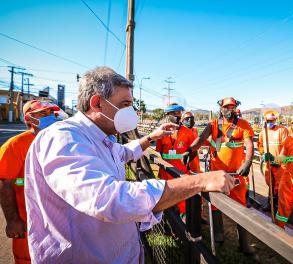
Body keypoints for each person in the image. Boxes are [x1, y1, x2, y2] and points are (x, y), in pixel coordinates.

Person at [24, 67, 235, 263]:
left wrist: (151, 138)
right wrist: (200, 181)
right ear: (97, 103)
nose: (131, 112)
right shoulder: (63, 138)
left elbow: (123, 153)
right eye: (125, 105)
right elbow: (109, 199)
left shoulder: (98, 138)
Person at [183, 97, 258, 258]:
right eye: (226, 107)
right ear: (221, 108)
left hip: (236, 174)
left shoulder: (243, 125)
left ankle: (245, 245)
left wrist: (248, 162)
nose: (229, 109)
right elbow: (201, 139)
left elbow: (249, 144)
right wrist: (190, 150)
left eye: (232, 107)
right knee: (216, 206)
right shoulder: (214, 125)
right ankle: (218, 236)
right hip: (217, 174)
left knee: (241, 208)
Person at [0, 100, 60, 264]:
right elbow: (5, 183)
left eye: (50, 113)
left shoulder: (59, 141)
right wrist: (13, 221)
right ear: (29, 119)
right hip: (28, 225)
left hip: (58, 224)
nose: (50, 116)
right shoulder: (15, 145)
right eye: (43, 113)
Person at [156, 104, 200, 220]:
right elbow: (159, 152)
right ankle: (168, 221)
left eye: (179, 113)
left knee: (183, 200)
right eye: (174, 113)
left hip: (182, 173)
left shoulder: (188, 132)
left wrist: (190, 157)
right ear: (167, 115)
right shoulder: (161, 132)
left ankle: (184, 223)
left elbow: (194, 150)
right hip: (166, 173)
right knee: (167, 201)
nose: (177, 116)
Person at [257, 112, 288, 212]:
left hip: (280, 165)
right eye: (268, 121)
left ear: (275, 120)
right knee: (270, 184)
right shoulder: (263, 132)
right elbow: (260, 145)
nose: (270, 122)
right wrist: (263, 154)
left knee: (279, 186)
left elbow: (286, 146)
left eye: (272, 121)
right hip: (268, 164)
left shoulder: (282, 130)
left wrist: (279, 159)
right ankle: (270, 204)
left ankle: (280, 207)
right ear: (265, 121)